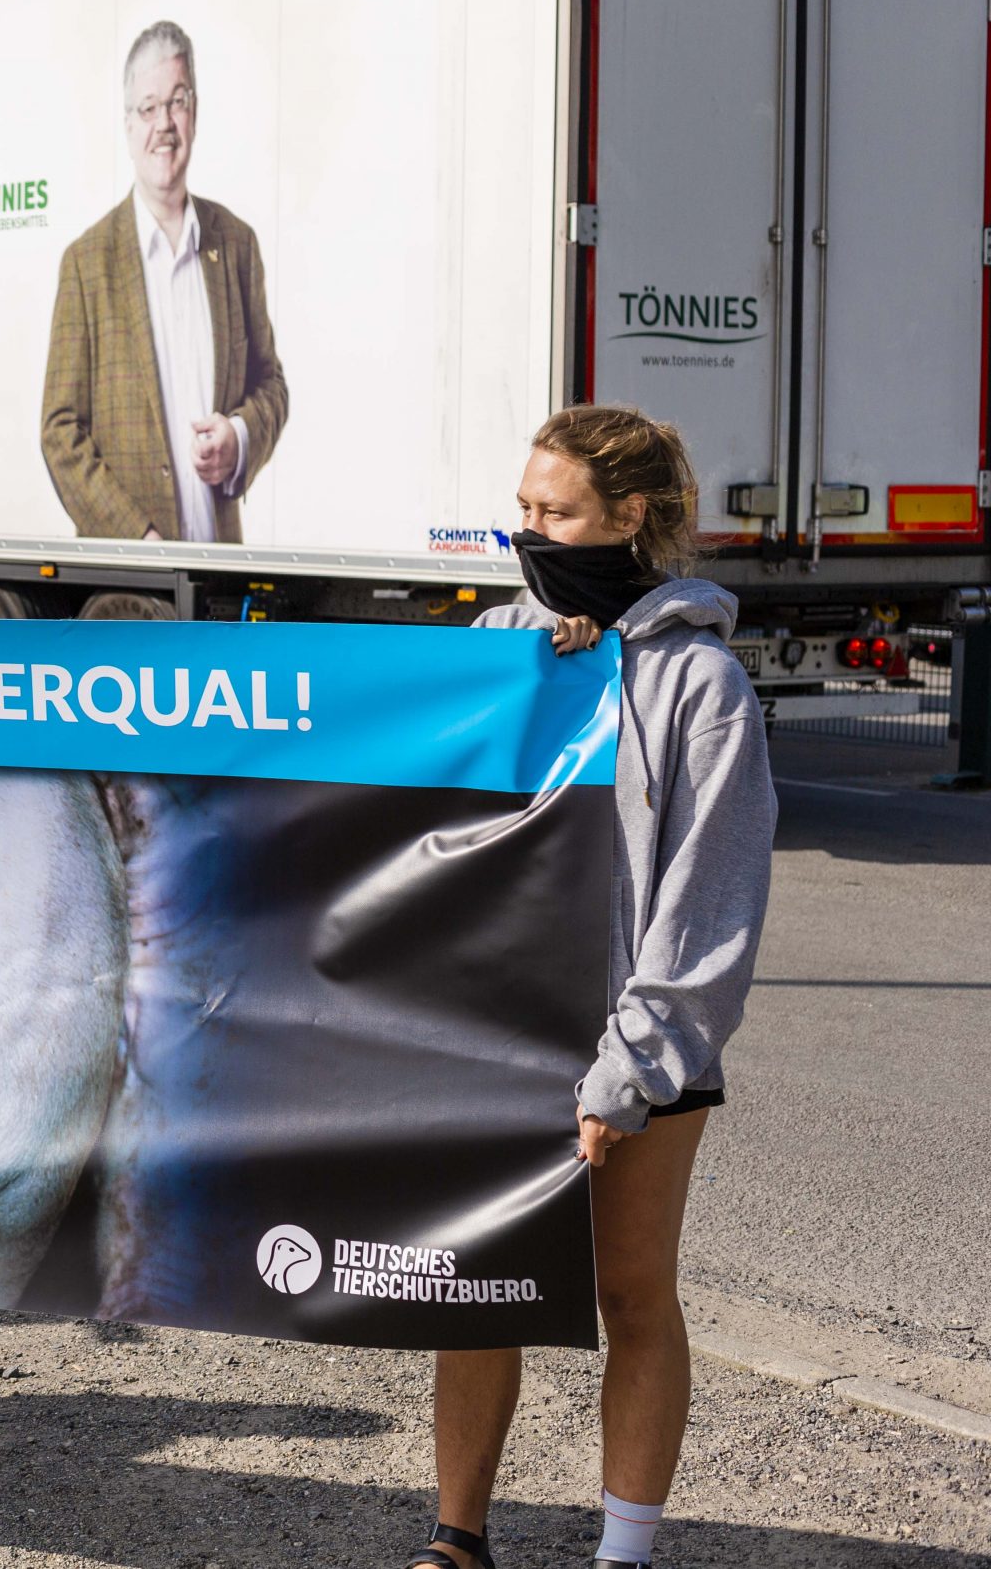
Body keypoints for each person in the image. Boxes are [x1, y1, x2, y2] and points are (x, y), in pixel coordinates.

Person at [407, 406, 777, 1569]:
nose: (528, 531)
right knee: (478, 1290)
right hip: (500, 1035)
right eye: (521, 507)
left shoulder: (701, 685)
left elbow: (707, 906)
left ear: (628, 517)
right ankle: (457, 1538)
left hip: (640, 1052)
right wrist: (525, 682)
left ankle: (623, 1553)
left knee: (631, 1295)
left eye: (554, 512)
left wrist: (628, 1073)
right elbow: (419, 815)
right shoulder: (500, 648)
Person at [40, 18, 288, 543]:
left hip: (220, 568)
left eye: (177, 101)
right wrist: (137, 540)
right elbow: (60, 432)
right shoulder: (86, 264)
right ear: (128, 126)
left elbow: (271, 385)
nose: (165, 124)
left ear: (194, 112)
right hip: (130, 577)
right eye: (148, 108)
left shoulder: (237, 245)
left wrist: (239, 437)